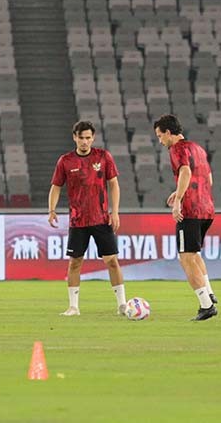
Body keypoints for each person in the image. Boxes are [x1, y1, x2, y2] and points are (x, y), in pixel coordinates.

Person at [48, 121, 126, 317]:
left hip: (101, 218)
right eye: (81, 137)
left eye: (88, 138)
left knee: (112, 261)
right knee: (75, 262)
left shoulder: (103, 157)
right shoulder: (65, 161)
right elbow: (56, 187)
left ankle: (122, 304)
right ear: (74, 137)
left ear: (93, 138)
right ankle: (73, 307)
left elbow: (114, 184)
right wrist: (51, 209)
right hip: (78, 220)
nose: (84, 141)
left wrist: (115, 211)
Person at [154, 114, 218, 321]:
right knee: (195, 254)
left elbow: (185, 171)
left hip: (190, 211)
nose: (160, 141)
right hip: (207, 208)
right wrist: (184, 192)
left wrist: (180, 199)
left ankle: (206, 305)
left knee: (186, 257)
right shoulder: (197, 148)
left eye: (160, 136)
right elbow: (208, 178)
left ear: (168, 133)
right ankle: (208, 292)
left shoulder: (177, 149)